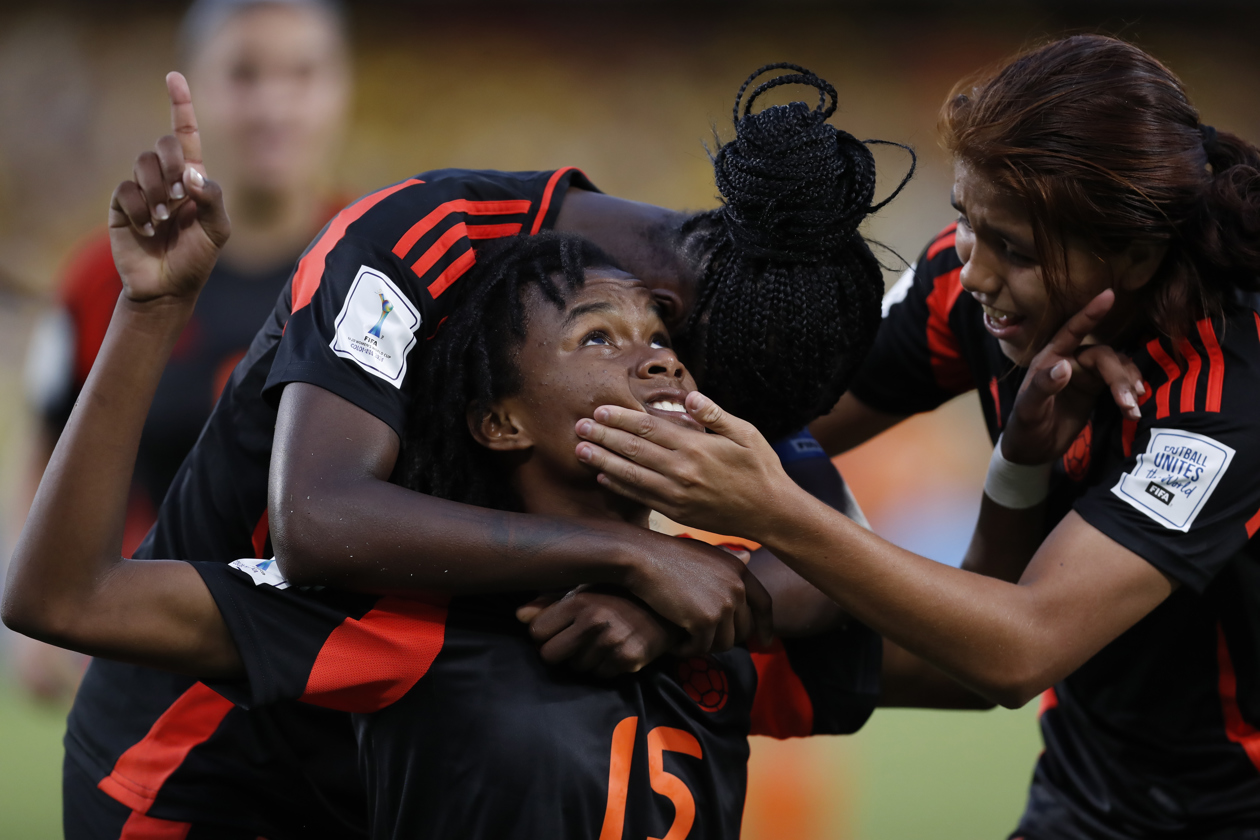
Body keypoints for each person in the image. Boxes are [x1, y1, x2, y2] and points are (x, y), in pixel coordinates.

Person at [59, 64, 905, 837]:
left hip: (396, 768)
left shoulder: (729, 325)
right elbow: (315, 519)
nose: (681, 392)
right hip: (198, 762)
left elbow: (827, 541)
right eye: (611, 342)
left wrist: (661, 608)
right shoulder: (421, 242)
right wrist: (634, 555)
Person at [574, 35, 1260, 839]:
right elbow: (776, 412)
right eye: (968, 223)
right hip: (1088, 784)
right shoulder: (970, 290)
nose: (973, 272)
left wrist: (769, 513)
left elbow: (1020, 648)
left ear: (1136, 258)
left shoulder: (1228, 385)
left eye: (1017, 250)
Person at [14, 0, 351, 703]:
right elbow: (50, 439)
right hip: (147, 667)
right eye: (244, 74)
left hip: (327, 675)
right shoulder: (104, 276)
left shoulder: (379, 265)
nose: (273, 105)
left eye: (302, 74)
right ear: (193, 85)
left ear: (342, 87)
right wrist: (34, 618)